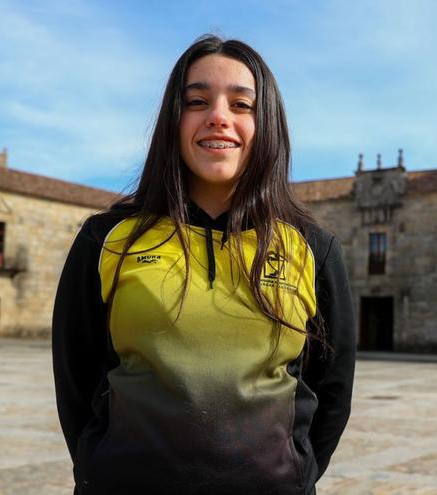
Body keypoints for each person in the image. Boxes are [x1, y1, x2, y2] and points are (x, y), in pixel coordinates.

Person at [52, 34, 355, 495]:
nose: (218, 116)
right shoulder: (106, 239)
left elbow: (331, 389)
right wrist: (98, 468)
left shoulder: (312, 247)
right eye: (197, 101)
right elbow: (76, 380)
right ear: (174, 120)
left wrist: (294, 476)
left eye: (242, 105)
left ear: (267, 123)